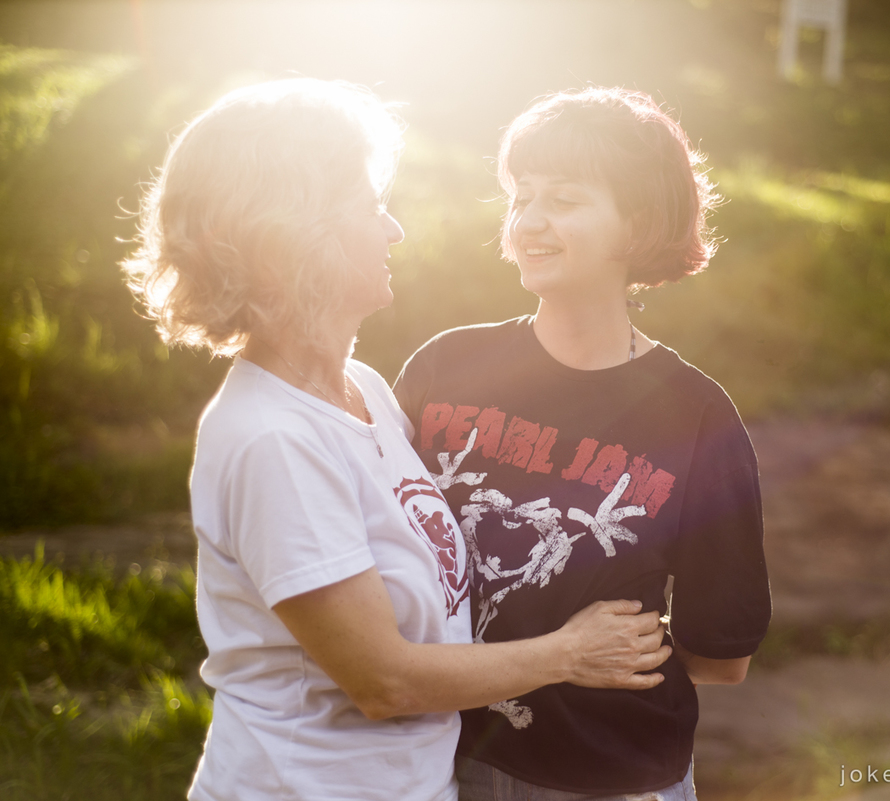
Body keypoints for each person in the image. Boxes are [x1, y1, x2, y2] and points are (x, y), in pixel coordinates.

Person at [120, 78, 670, 801]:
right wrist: (569, 653)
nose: (394, 231)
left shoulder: (368, 391)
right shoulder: (272, 440)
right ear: (294, 236)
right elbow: (384, 680)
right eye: (371, 207)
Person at [394, 87, 773, 800]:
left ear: (637, 223)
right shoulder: (442, 368)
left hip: (612, 776)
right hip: (434, 761)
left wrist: (607, 654)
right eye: (521, 197)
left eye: (563, 200)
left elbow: (721, 656)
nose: (530, 221)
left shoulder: (696, 417)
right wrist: (560, 653)